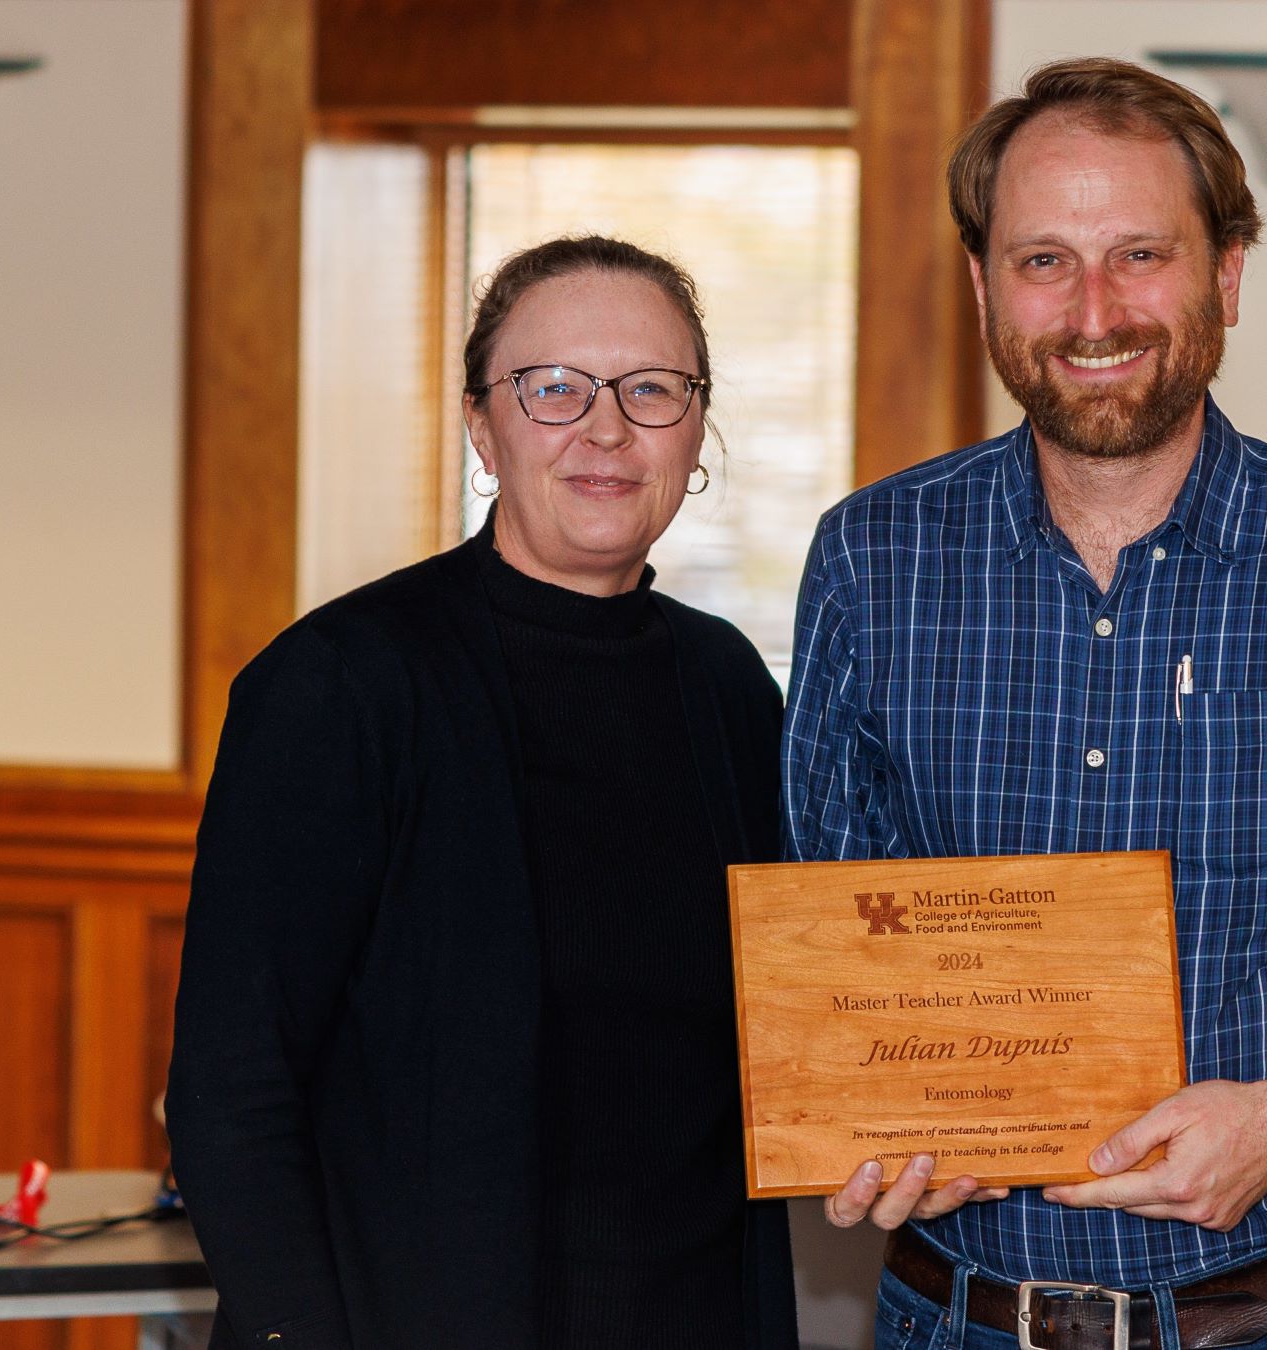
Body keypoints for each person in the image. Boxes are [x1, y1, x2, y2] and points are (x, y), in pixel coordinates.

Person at [782, 58, 1267, 1349]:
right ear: (984, 287)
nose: (1095, 307)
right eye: (1044, 260)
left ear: (1228, 276)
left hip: (1264, 1318)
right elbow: (834, 936)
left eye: (1140, 252)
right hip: (950, 1319)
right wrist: (874, 1116)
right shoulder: (871, 559)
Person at [168, 236, 796, 1348]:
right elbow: (234, 1092)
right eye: (552, 389)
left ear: (697, 430)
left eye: (652, 389)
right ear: (480, 425)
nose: (606, 429)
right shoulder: (337, 684)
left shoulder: (730, 687)